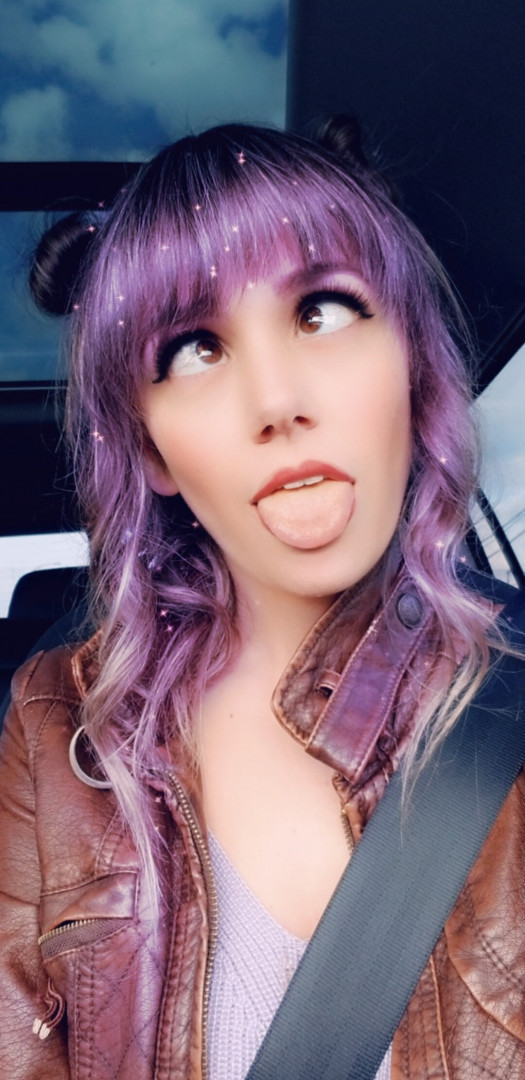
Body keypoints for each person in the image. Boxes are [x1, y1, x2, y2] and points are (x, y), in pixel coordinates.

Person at [0, 120, 524, 1080]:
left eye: (322, 310)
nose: (277, 400)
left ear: (411, 367)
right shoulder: (51, 732)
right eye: (193, 350)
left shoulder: (512, 695)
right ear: (150, 451)